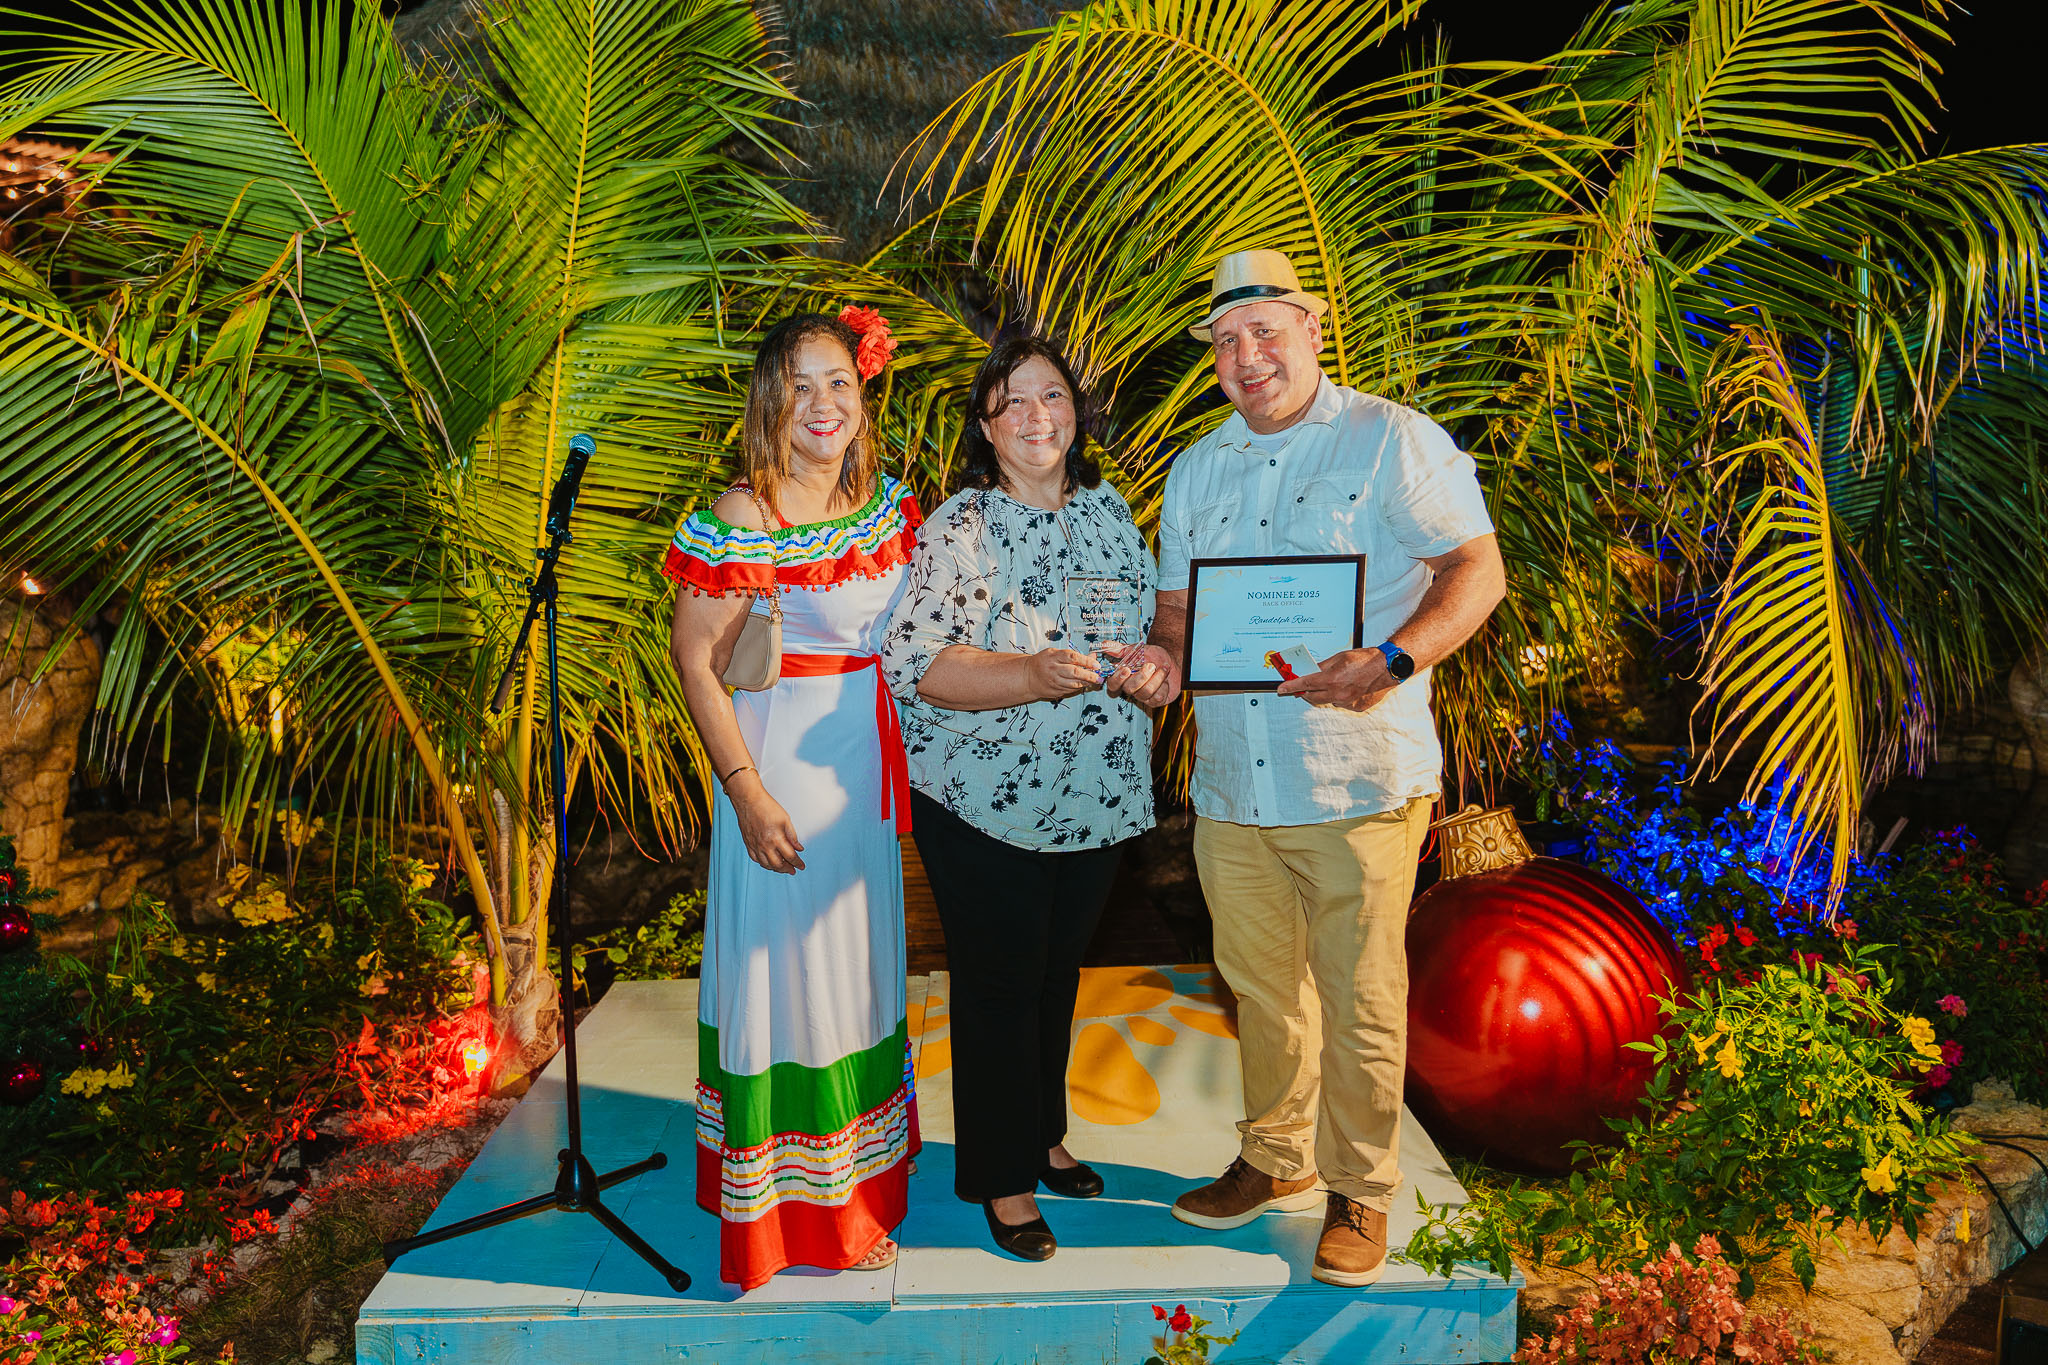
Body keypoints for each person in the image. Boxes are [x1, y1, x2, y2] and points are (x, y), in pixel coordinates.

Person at [1131, 248, 1506, 1287]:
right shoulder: (1197, 468)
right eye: (1225, 341)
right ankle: (1274, 1155)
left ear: (1312, 328)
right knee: (1261, 989)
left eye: (1265, 331)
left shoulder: (1391, 438)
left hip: (1354, 778)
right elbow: (1177, 608)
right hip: (1231, 784)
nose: (1246, 355)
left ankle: (1361, 1187)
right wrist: (1164, 657)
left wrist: (1393, 659)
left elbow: (1476, 570)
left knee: (1360, 995)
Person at [880, 336, 1169, 1261]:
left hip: (1096, 794)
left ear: (1076, 412)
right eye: (1013, 401)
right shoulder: (961, 525)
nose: (1037, 415)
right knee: (1000, 986)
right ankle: (1002, 1177)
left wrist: (1158, 666)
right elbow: (916, 664)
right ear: (986, 425)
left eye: (1052, 396)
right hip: (984, 801)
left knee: (1055, 976)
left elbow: (1145, 628)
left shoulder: (1109, 510)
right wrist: (1029, 674)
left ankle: (1044, 1135)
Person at [667, 309, 923, 1291]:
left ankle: (862, 1185)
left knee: (857, 977)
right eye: (802, 385)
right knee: (793, 985)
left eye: (839, 383)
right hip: (779, 774)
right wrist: (745, 793)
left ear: (863, 397)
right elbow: (695, 663)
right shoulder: (746, 515)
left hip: (863, 772)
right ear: (771, 399)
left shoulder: (885, 504)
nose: (823, 404)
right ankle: (803, 1218)